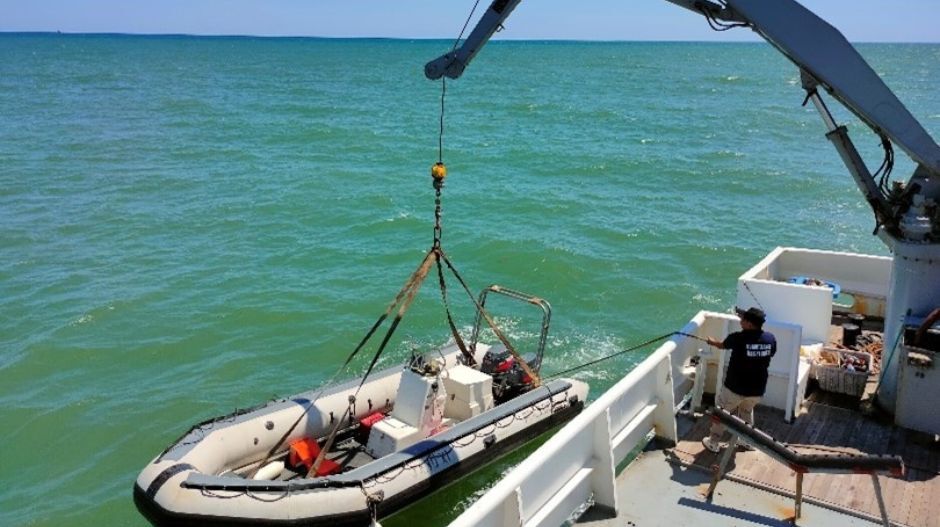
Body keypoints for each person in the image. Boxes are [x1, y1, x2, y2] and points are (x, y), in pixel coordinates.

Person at [701, 307, 776, 453]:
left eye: (743, 319)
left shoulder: (737, 338)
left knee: (721, 414)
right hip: (757, 390)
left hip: (735, 388)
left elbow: (722, 345)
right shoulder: (770, 339)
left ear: (749, 324)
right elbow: (771, 353)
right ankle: (747, 441)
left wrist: (711, 342)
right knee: (746, 412)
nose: (740, 320)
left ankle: (713, 442)